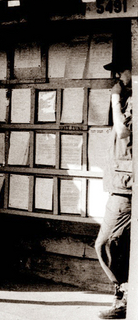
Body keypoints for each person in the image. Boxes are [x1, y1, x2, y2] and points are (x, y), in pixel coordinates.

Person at [95, 60, 132, 319]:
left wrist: (115, 101)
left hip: (127, 188)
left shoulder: (131, 101)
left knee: (105, 243)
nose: (117, 77)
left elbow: (122, 132)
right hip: (122, 184)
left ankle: (123, 297)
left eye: (121, 71)